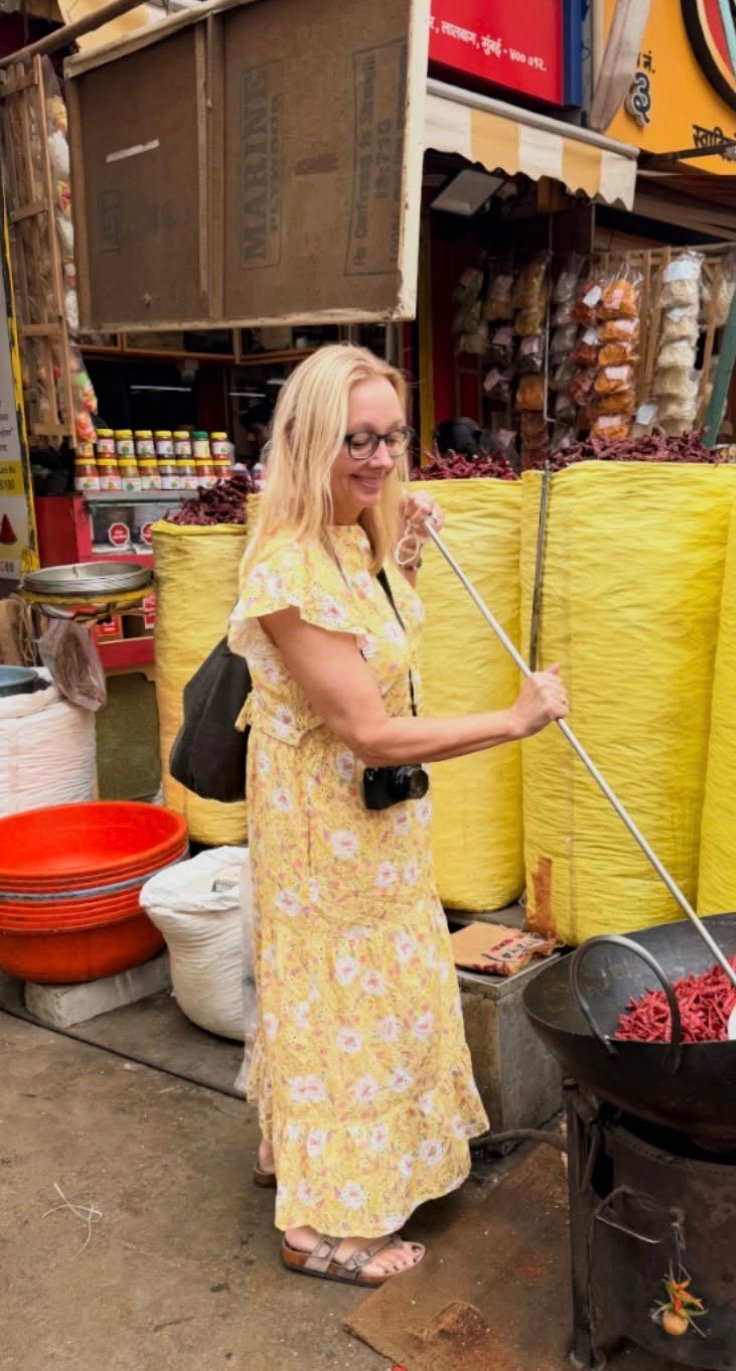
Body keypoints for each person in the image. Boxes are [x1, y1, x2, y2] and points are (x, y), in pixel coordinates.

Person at [228, 344, 568, 1289]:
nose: (380, 459)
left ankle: (299, 1152)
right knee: (340, 1002)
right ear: (309, 442)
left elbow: (378, 643)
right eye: (357, 441)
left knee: (355, 994)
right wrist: (512, 720)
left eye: (389, 437)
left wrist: (403, 549)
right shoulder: (290, 565)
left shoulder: (351, 534)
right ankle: (320, 1229)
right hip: (323, 829)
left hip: (373, 830)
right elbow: (369, 730)